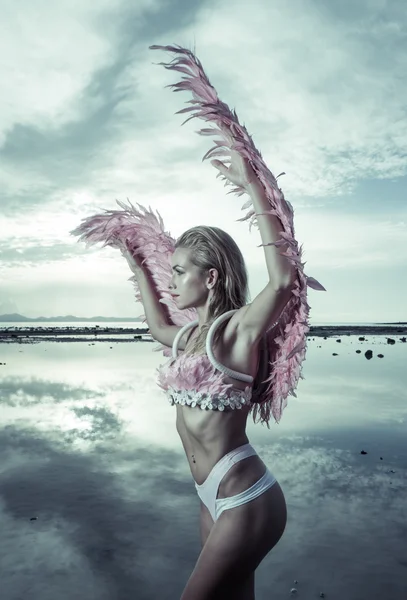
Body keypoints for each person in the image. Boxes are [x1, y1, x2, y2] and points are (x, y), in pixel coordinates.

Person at [121, 221, 290, 600]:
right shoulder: (189, 337)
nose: (171, 281)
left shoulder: (236, 330)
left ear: (211, 277)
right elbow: (156, 326)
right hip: (208, 496)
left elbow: (281, 282)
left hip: (245, 497)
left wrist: (252, 185)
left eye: (179, 272)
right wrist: (137, 269)